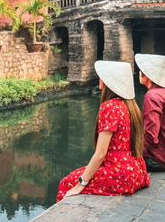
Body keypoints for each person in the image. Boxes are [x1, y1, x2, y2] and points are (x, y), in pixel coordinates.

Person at [57, 60, 150, 201]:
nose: (100, 80)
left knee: (67, 182)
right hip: (137, 171)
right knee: (82, 172)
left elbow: (100, 154)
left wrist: (81, 184)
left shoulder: (110, 107)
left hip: (119, 174)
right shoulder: (131, 105)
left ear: (108, 82)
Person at [135, 53, 165, 172]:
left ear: (147, 75)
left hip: (161, 160)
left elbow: (151, 135)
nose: (139, 73)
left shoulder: (152, 96)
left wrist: (138, 152)